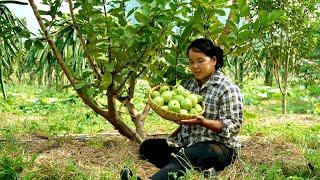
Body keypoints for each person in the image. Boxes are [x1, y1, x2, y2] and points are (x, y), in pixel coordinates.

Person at [121, 38, 244, 179]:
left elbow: (234, 126)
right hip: (188, 144)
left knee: (190, 154)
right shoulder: (189, 85)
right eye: (191, 62)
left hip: (220, 148)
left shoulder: (227, 88)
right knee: (147, 147)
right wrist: (174, 130)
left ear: (214, 60)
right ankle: (197, 169)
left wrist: (203, 122)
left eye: (200, 61)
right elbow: (184, 117)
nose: (195, 66)